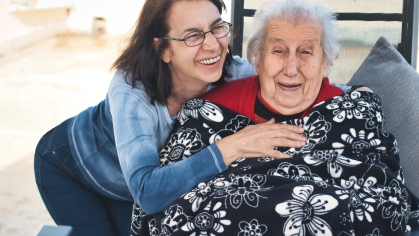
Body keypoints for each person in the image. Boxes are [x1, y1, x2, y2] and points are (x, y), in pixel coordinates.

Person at [130, 0, 419, 235]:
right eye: (278, 51)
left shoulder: (352, 110)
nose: (291, 67)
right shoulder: (207, 111)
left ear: (326, 62)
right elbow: (165, 210)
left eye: (306, 52)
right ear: (256, 59)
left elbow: (385, 194)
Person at [34, 0, 317, 235]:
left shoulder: (233, 73)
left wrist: (355, 90)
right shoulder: (131, 88)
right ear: (163, 49)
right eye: (192, 36)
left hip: (133, 189)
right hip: (70, 167)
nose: (213, 46)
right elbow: (147, 192)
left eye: (217, 28)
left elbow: (294, 78)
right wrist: (233, 147)